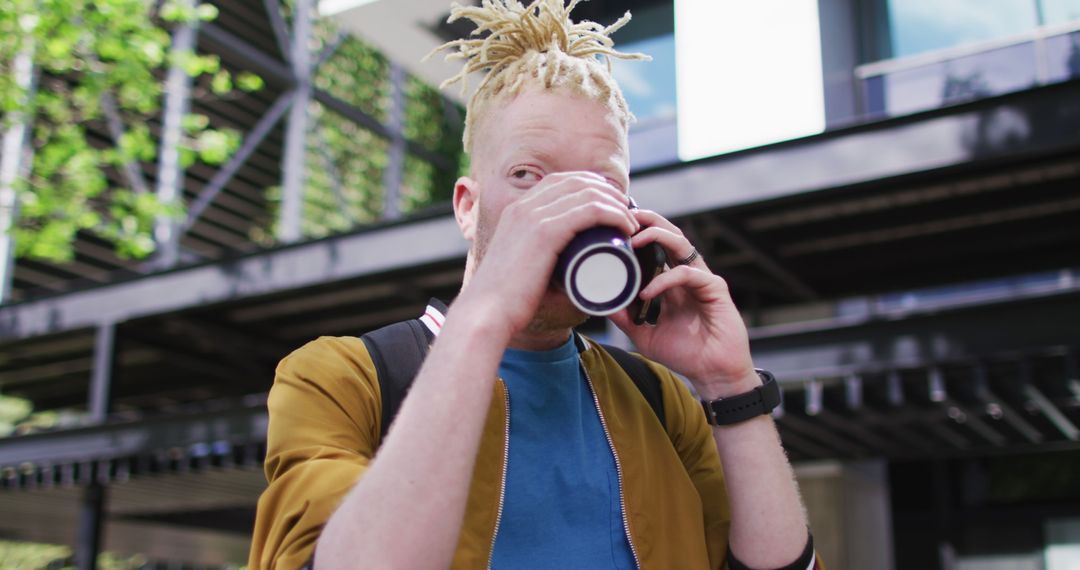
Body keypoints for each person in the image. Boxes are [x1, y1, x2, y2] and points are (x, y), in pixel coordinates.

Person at [249, 1, 822, 568]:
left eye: (600, 183)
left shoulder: (660, 399)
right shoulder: (339, 378)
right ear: (468, 208)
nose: (568, 210)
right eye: (529, 176)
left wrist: (730, 384)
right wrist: (487, 313)